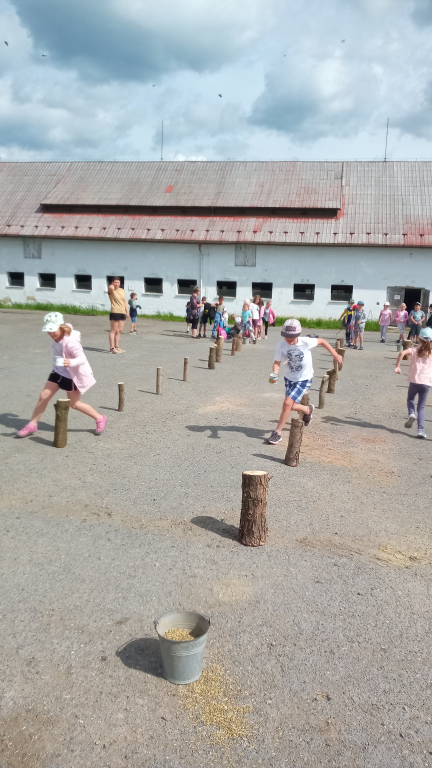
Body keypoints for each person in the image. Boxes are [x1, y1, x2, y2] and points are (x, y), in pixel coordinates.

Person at [17, 312, 106, 438]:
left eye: (53, 330)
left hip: (71, 376)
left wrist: (70, 362)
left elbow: (82, 358)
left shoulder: (70, 342)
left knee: (74, 404)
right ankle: (32, 424)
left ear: (61, 327)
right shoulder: (56, 338)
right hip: (58, 372)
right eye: (48, 330)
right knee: (43, 396)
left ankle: (100, 418)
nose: (51, 333)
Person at [267, 319, 342, 444]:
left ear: (298, 334)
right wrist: (275, 373)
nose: (289, 339)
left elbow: (322, 341)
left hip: (304, 379)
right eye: (286, 336)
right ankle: (307, 410)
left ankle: (277, 432)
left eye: (292, 337)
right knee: (290, 406)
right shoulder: (281, 346)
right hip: (289, 379)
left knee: (287, 403)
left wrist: (335, 354)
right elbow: (277, 363)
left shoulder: (305, 342)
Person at [395, 327, 432, 439]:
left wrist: (397, 366)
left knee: (410, 399)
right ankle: (420, 430)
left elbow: (401, 353)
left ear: (419, 339)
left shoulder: (415, 350)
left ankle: (411, 413)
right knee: (421, 406)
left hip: (414, 381)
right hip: (426, 383)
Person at [108, 277, 129, 354]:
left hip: (122, 312)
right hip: (115, 312)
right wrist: (111, 286)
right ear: (112, 282)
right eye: (115, 282)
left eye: (118, 282)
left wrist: (127, 312)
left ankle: (117, 346)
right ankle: (112, 348)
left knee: (119, 331)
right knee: (113, 330)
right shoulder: (112, 290)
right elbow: (110, 289)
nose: (117, 284)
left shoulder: (122, 290)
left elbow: (124, 301)